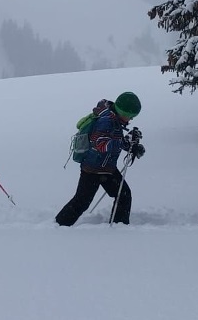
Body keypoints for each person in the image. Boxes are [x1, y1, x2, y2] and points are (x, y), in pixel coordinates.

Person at [55, 92, 144, 226]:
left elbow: (113, 140)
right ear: (122, 111)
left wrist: (131, 146)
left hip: (106, 168)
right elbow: (100, 144)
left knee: (123, 195)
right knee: (82, 202)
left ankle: (119, 227)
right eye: (129, 115)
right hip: (93, 169)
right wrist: (123, 141)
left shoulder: (115, 119)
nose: (130, 119)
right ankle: (58, 225)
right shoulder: (106, 121)